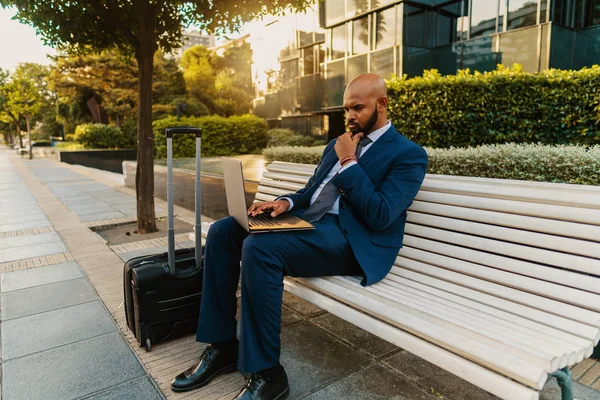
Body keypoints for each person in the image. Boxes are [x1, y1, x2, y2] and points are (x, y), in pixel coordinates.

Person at [171, 73, 429, 400]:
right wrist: (285, 202)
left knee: (260, 248)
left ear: (382, 104)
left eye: (358, 108)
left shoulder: (407, 154)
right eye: (346, 109)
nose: (350, 117)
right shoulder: (336, 144)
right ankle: (223, 346)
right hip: (312, 226)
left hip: (355, 241)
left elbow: (380, 215)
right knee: (224, 231)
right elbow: (312, 192)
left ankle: (267, 374)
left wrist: (349, 160)